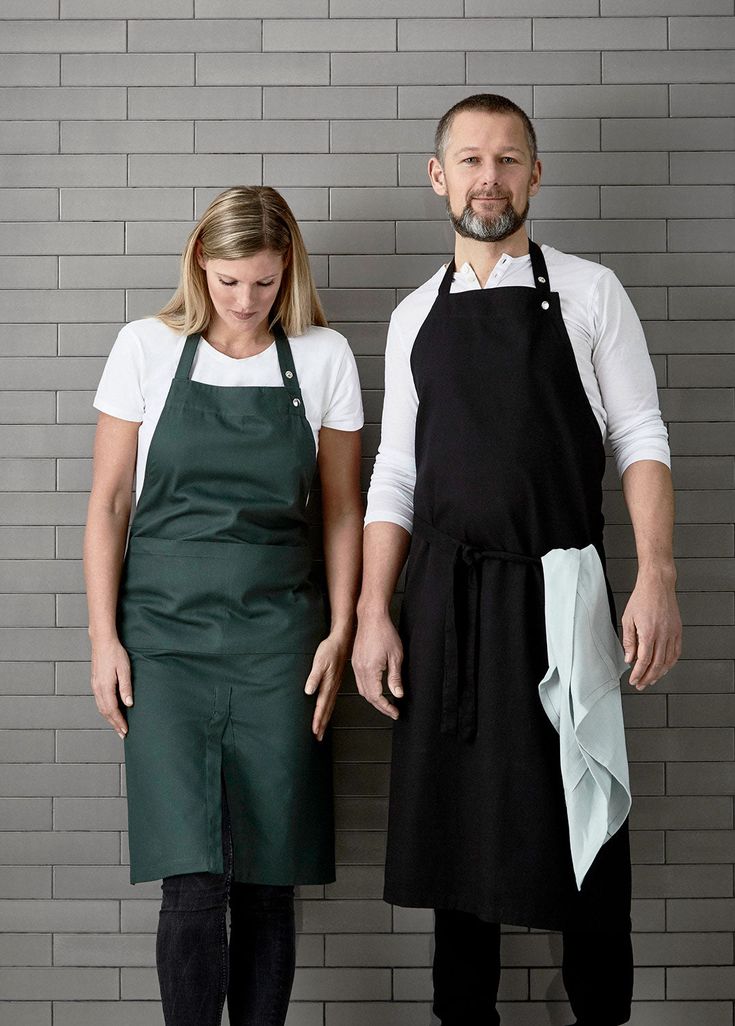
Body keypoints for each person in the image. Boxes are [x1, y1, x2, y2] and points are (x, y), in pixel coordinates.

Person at [352, 94, 682, 1026]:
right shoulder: (416, 313)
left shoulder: (587, 291)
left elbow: (641, 436)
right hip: (445, 610)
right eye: (468, 160)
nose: (486, 178)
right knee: (461, 854)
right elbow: (396, 478)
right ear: (437, 176)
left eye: (506, 160)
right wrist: (378, 611)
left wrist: (654, 576)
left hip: (562, 597)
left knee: (585, 841)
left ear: (534, 174)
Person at [84, 186, 363, 1026]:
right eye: (230, 281)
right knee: (193, 876)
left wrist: (341, 631)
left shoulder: (323, 357)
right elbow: (108, 504)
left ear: (290, 274)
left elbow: (344, 508)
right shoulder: (143, 347)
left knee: (268, 873)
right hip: (163, 636)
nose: (245, 302)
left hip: (281, 636)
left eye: (266, 284)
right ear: (199, 265)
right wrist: (105, 640)